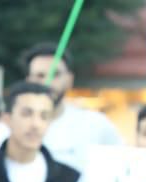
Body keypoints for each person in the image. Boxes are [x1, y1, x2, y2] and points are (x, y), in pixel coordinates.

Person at [19, 42, 122, 173]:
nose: (47, 83)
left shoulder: (97, 125)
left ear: (69, 80)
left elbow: (122, 169)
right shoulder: (10, 129)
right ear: (29, 81)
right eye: (40, 76)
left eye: (55, 74)